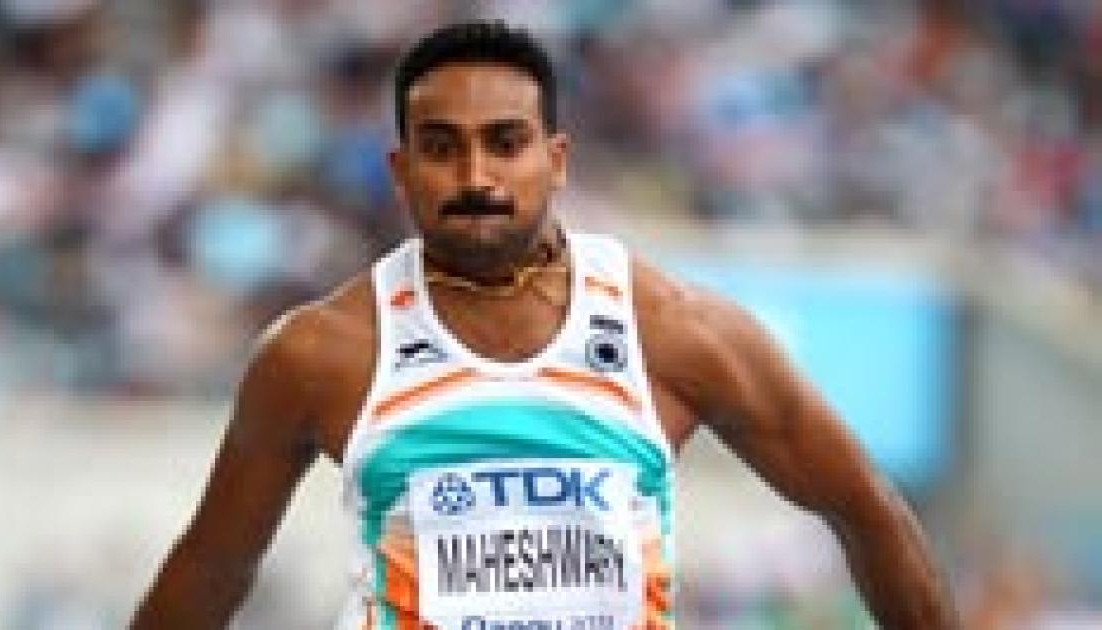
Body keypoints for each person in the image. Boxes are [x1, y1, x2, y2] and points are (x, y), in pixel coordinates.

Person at [131, 20, 959, 630]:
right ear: (401, 169)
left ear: (555, 160)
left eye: (505, 143)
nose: (476, 176)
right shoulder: (320, 353)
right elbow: (214, 565)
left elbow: (864, 507)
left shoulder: (676, 333)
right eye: (441, 147)